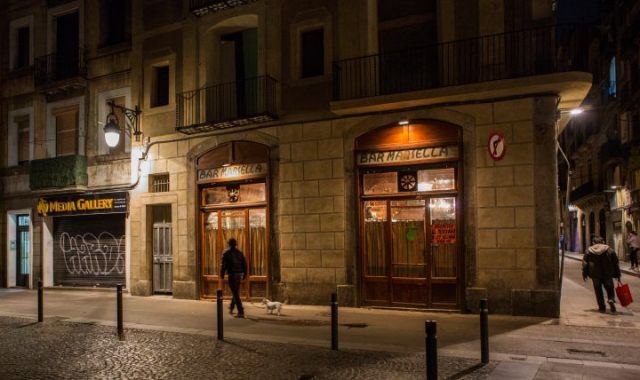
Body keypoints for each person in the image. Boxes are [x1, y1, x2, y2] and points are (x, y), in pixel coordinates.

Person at [582, 236, 622, 313]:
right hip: (607, 273)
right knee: (610, 288)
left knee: (598, 290)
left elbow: (585, 264)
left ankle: (601, 306)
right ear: (603, 241)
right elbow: (615, 263)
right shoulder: (609, 250)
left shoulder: (589, 251)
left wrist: (585, 274)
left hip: (595, 274)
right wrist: (618, 274)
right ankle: (611, 299)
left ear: (593, 242)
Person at [220, 238, 247, 318]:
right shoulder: (239, 252)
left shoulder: (226, 252)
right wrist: (245, 274)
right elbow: (244, 264)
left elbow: (223, 265)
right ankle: (231, 307)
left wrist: (222, 274)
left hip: (232, 275)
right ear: (235, 244)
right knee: (235, 291)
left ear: (229, 244)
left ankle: (241, 311)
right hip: (239, 274)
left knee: (235, 293)